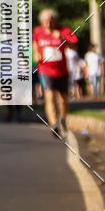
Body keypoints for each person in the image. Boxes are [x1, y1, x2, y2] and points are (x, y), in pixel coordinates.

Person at [32, 9, 78, 139]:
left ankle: (62, 119)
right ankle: (54, 125)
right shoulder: (37, 31)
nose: (47, 24)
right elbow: (34, 42)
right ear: (41, 22)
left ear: (54, 20)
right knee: (49, 96)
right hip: (45, 70)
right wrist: (36, 52)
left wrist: (63, 38)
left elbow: (74, 45)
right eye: (44, 22)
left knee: (63, 99)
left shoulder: (64, 30)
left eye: (50, 21)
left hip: (62, 70)